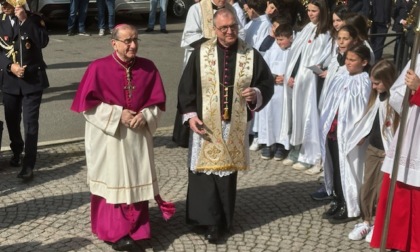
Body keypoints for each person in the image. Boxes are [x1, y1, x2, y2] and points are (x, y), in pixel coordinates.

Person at [70, 24, 175, 251]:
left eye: (135, 40)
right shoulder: (98, 68)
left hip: (136, 138)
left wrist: (146, 116)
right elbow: (87, 108)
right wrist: (118, 114)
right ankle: (115, 232)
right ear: (114, 43)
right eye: (127, 41)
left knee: (136, 179)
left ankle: (138, 230)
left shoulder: (148, 68)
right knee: (113, 180)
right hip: (110, 140)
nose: (133, 45)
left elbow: (157, 103)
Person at [177, 8, 274, 243]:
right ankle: (202, 219)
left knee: (225, 174)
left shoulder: (250, 54)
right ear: (215, 28)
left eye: (233, 27)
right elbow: (186, 86)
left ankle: (219, 222)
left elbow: (266, 82)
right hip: (205, 124)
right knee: (203, 173)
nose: (230, 31)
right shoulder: (201, 52)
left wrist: (256, 93)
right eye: (224, 28)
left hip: (233, 124)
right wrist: (190, 116)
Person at [173, 0, 242, 148]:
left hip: (226, 60)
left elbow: (239, 31)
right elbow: (190, 35)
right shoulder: (196, 9)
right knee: (198, 96)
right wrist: (215, 44)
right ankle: (193, 131)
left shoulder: (230, 10)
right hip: (201, 60)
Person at [370, 54, 420, 251]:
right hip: (410, 132)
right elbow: (398, 94)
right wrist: (407, 91)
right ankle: (397, 242)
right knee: (399, 186)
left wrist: (418, 88)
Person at [320, 44, 371, 224]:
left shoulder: (365, 81)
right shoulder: (342, 76)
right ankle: (338, 199)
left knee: (348, 169)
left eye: (352, 60)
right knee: (334, 166)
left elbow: (366, 110)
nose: (347, 63)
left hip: (350, 134)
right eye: (347, 59)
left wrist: (362, 132)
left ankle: (349, 205)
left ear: (364, 62)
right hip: (334, 130)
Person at [347, 59, 398, 241]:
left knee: (380, 190)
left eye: (378, 83)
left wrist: (391, 153)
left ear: (389, 80)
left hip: (386, 153)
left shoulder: (396, 101)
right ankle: (366, 221)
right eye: (372, 83)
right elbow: (371, 119)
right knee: (366, 187)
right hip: (373, 149)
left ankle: (379, 222)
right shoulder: (377, 97)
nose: (374, 87)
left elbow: (395, 131)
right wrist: (361, 135)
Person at [0, 1, 49, 181]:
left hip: (32, 79)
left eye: (8, 3)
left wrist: (24, 20)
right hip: (10, 79)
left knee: (30, 123)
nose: (4, 6)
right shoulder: (1, 20)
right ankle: (17, 150)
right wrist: (9, 66)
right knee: (12, 120)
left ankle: (29, 163)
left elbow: (43, 41)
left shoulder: (34, 19)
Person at [280, 0, 330, 171]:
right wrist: (293, 74)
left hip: (313, 82)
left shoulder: (325, 33)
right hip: (298, 79)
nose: (310, 14)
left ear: (322, 11)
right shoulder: (307, 28)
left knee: (309, 116)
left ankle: (310, 154)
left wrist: (305, 75)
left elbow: (321, 59)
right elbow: (297, 55)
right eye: (308, 10)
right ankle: (296, 149)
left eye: (314, 11)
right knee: (296, 114)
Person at [257, 23, 293, 160]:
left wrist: (286, 78)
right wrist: (272, 78)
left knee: (283, 118)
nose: (279, 43)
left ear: (290, 38)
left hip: (285, 92)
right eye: (277, 39)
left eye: (281, 40)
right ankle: (268, 143)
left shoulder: (293, 51)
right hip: (272, 90)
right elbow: (263, 68)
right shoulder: (272, 50)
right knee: (269, 116)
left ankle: (281, 145)